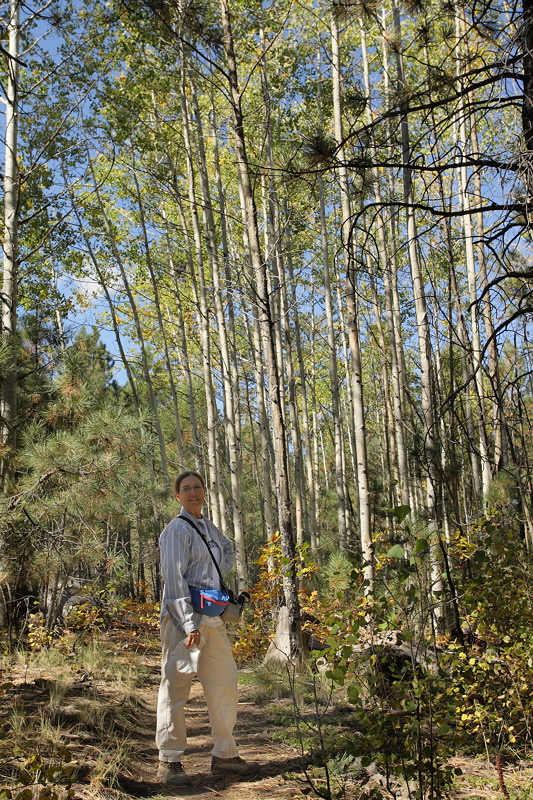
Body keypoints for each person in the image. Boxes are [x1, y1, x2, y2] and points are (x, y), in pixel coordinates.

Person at [156, 470, 260, 786]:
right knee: (176, 686)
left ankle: (224, 756)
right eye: (186, 489)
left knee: (225, 682)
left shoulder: (209, 527)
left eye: (197, 487)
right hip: (184, 621)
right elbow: (173, 582)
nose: (193, 493)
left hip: (212, 619)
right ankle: (169, 761)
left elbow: (227, 552)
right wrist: (188, 623)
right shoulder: (176, 531)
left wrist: (211, 584)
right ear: (177, 496)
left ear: (204, 492)